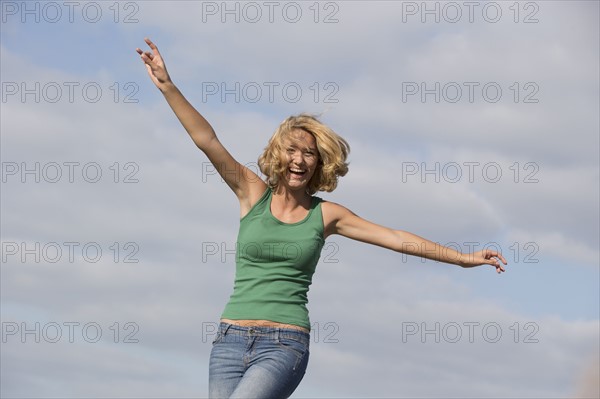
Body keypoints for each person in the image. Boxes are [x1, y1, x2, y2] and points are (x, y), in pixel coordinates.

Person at [136, 37, 507, 399]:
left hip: (285, 344)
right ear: (278, 154)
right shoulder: (251, 194)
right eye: (292, 150)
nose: (299, 159)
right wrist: (169, 87)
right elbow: (208, 141)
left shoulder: (325, 215)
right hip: (229, 339)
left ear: (319, 163)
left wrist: (461, 258)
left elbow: (394, 237)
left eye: (309, 154)